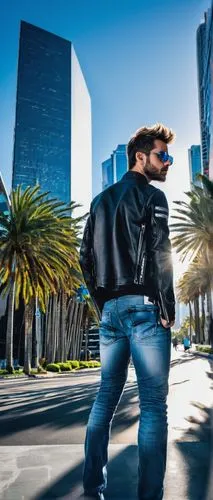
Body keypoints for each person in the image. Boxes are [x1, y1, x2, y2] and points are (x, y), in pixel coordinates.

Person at [80, 123, 175, 500]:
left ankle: (92, 487)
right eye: (161, 156)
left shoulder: (100, 201)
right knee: (153, 405)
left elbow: (84, 257)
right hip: (145, 309)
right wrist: (166, 308)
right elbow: (160, 254)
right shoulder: (153, 198)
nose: (167, 163)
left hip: (111, 312)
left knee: (105, 397)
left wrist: (103, 303)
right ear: (141, 157)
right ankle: (150, 496)